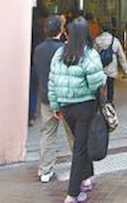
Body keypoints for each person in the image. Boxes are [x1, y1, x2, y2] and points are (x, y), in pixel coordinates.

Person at [48, 18, 107, 202]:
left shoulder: (59, 53)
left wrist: (56, 105)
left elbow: (52, 81)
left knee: (81, 142)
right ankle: (72, 193)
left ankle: (87, 178)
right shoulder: (89, 54)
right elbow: (96, 83)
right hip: (84, 107)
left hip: (66, 107)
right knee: (80, 148)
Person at [33, 15, 74, 183]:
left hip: (46, 97)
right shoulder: (65, 49)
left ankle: (45, 170)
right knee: (72, 133)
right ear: (61, 30)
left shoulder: (39, 49)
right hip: (65, 98)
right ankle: (79, 167)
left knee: (47, 133)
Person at [94, 22, 127, 103]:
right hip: (112, 68)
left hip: (100, 67)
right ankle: (110, 103)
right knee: (111, 86)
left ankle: (101, 102)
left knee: (100, 86)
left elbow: (93, 54)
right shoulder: (115, 40)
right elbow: (121, 56)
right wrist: (126, 70)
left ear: (101, 29)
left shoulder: (97, 39)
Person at [30, 7, 50, 126]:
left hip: (30, 65)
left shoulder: (30, 28)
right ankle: (33, 114)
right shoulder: (42, 32)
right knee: (36, 90)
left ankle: (31, 114)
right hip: (37, 65)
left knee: (32, 91)